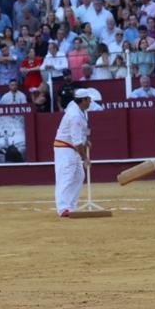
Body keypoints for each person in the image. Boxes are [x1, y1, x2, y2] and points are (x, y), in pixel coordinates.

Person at [53, 87, 97, 217]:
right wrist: (85, 159)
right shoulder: (75, 115)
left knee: (78, 176)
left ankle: (71, 206)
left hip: (71, 148)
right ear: (83, 100)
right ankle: (63, 208)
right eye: (88, 100)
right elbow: (76, 142)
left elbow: (80, 136)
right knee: (66, 177)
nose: (90, 102)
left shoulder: (77, 107)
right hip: (65, 149)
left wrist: (85, 140)